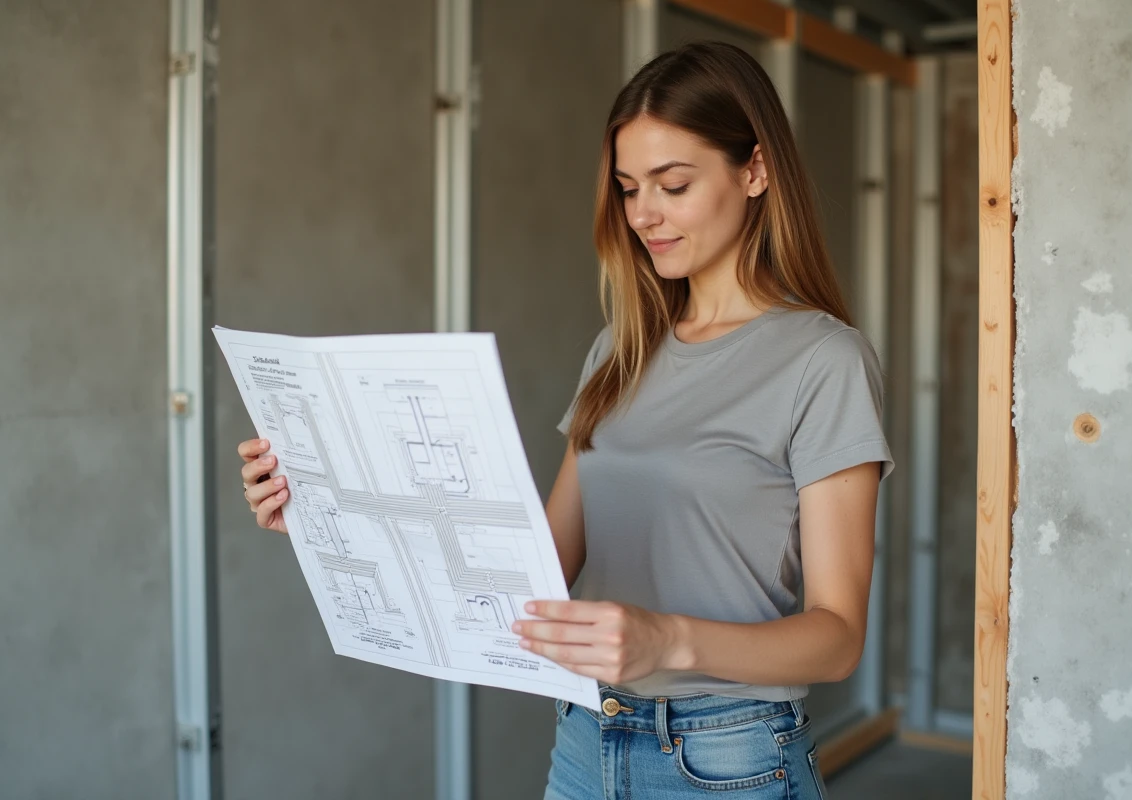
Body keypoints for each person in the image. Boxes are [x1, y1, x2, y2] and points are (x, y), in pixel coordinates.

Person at [238, 40, 891, 800]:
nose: (644, 214)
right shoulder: (618, 350)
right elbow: (528, 568)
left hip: (727, 758)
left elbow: (838, 637)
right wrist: (330, 513)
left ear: (754, 171)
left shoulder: (823, 359)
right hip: (587, 741)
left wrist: (666, 637)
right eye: (627, 188)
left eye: (673, 184)